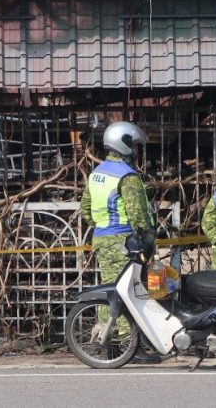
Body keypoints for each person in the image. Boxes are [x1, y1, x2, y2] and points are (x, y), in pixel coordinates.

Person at [80, 120, 160, 364]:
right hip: (124, 240)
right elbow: (138, 216)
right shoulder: (128, 177)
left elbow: (85, 209)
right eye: (134, 145)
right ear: (123, 144)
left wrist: (104, 224)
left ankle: (105, 343)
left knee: (110, 290)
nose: (136, 151)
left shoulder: (98, 173)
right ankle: (130, 346)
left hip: (102, 238)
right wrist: (147, 238)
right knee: (128, 291)